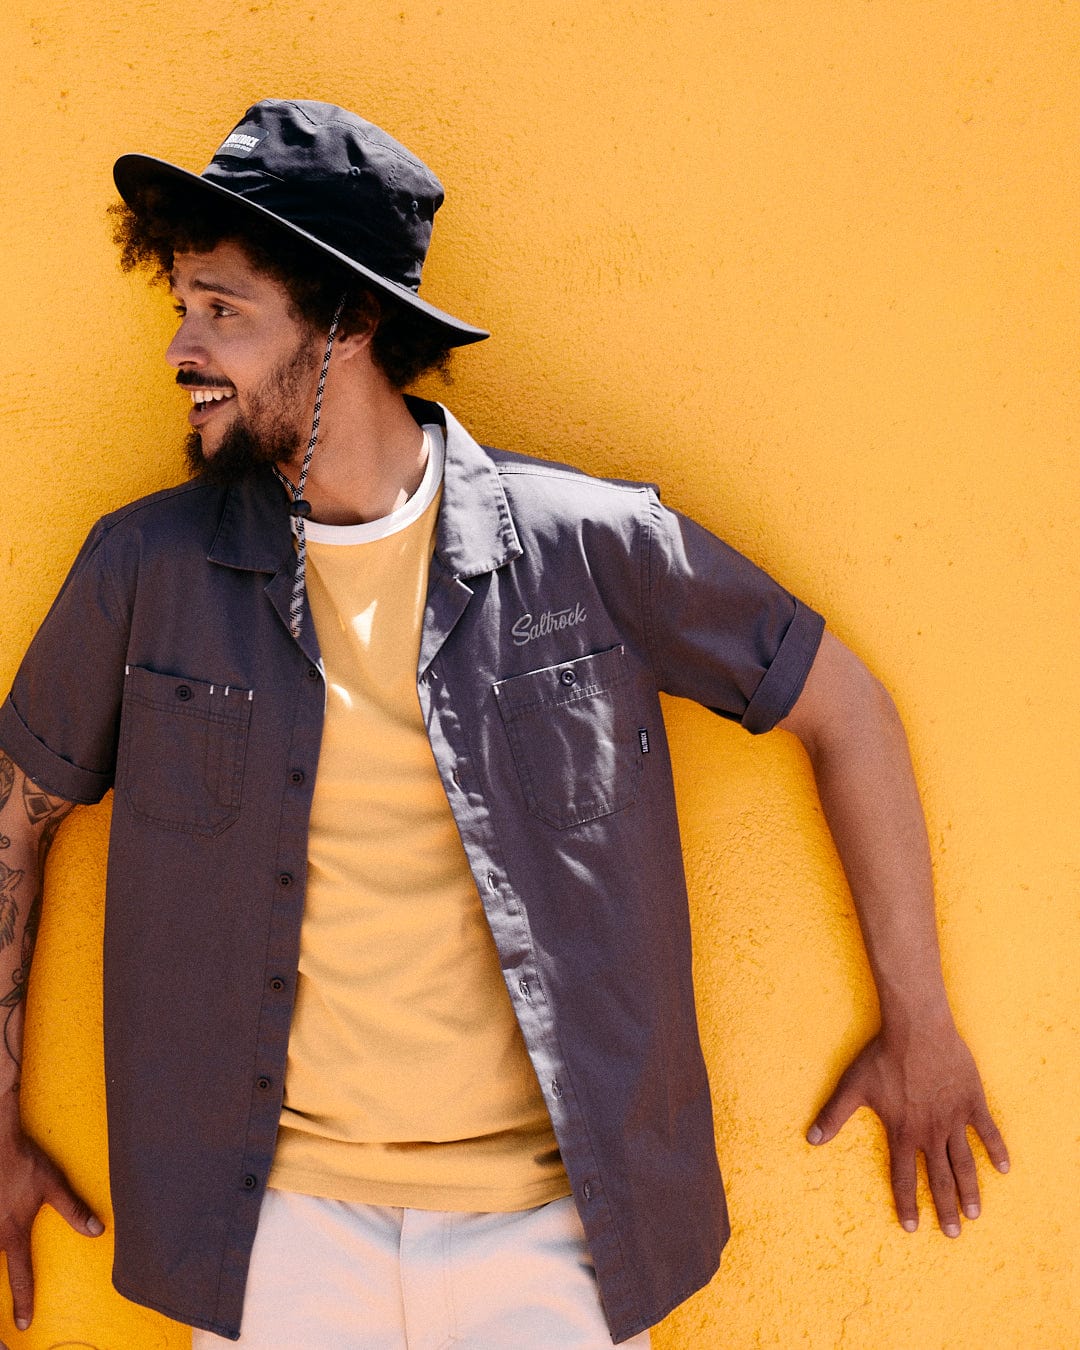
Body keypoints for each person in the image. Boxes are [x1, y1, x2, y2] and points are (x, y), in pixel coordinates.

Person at [0, 99, 1008, 1348]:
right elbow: (16, 820)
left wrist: (919, 1023)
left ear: (348, 320)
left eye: (224, 311)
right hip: (274, 1241)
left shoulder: (592, 550)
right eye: (182, 310)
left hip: (560, 1242)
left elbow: (842, 706)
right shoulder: (143, 570)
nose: (183, 350)